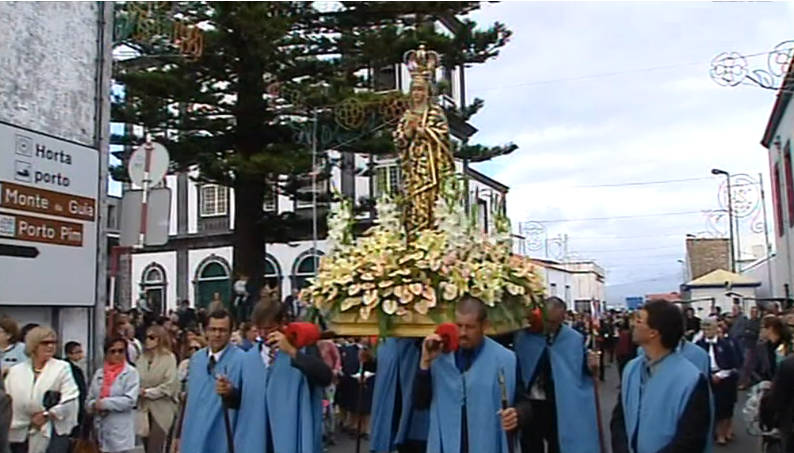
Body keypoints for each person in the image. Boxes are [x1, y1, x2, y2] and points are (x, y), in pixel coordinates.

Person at [413, 296, 530, 453]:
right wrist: (425, 363)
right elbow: (420, 403)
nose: (462, 333)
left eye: (470, 327)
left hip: (487, 443)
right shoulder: (439, 356)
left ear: (484, 326)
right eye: (459, 325)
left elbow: (524, 402)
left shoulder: (505, 359)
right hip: (448, 444)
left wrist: (518, 414)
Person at [611, 300, 711, 453]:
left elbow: (691, 439)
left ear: (653, 332)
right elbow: (619, 419)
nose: (633, 325)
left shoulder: (690, 379)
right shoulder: (631, 369)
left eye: (639, 321)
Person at [234, 301, 332, 453]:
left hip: (290, 434)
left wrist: (292, 351)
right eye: (259, 329)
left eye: (268, 328)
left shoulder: (303, 350)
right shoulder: (249, 358)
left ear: (282, 324)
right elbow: (240, 401)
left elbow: (325, 377)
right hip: (258, 438)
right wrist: (228, 393)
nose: (263, 334)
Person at [513, 297, 600, 453]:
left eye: (555, 322)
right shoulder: (525, 336)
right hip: (531, 402)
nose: (550, 326)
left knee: (558, 444)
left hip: (559, 403)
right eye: (547, 320)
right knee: (530, 445)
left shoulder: (573, 338)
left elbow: (579, 370)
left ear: (563, 317)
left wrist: (591, 365)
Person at [179, 309, 244, 453]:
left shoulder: (243, 360)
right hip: (194, 437)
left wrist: (231, 393)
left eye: (222, 330)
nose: (217, 334)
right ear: (205, 331)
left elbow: (248, 402)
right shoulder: (197, 360)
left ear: (231, 331)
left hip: (223, 438)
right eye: (213, 329)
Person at [5, 326, 79, 453]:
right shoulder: (16, 371)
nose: (50, 346)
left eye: (53, 343)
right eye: (45, 343)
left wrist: (47, 415)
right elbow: (7, 399)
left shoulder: (62, 368)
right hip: (20, 431)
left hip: (53, 430)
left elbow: (70, 398)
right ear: (33, 345)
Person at [369, 338, 428, 453]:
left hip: (415, 426)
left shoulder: (422, 341)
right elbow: (382, 367)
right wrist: (369, 362)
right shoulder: (386, 342)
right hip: (387, 411)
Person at [87, 336, 140, 453]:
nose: (117, 354)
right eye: (113, 351)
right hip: (100, 430)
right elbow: (89, 399)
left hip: (120, 429)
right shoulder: (99, 373)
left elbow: (130, 400)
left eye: (121, 351)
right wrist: (93, 405)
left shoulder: (131, 373)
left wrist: (105, 403)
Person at [696, 317, 740, 445]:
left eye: (709, 328)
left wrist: (720, 375)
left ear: (716, 329)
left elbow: (733, 364)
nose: (707, 331)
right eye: (704, 328)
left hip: (725, 378)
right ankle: (710, 433)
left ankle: (722, 434)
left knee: (724, 408)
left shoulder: (726, 344)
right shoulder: (699, 345)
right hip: (706, 377)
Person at [136, 325, 179, 453]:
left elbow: (170, 385)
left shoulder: (169, 358)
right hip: (143, 408)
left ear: (160, 339)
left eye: (151, 337)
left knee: (156, 446)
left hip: (162, 408)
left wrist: (148, 392)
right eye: (146, 337)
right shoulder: (141, 359)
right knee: (146, 445)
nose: (147, 340)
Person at [63, 341, 87, 438]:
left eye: (81, 351)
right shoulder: (67, 368)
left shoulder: (79, 367)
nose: (81, 355)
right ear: (69, 354)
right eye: (77, 352)